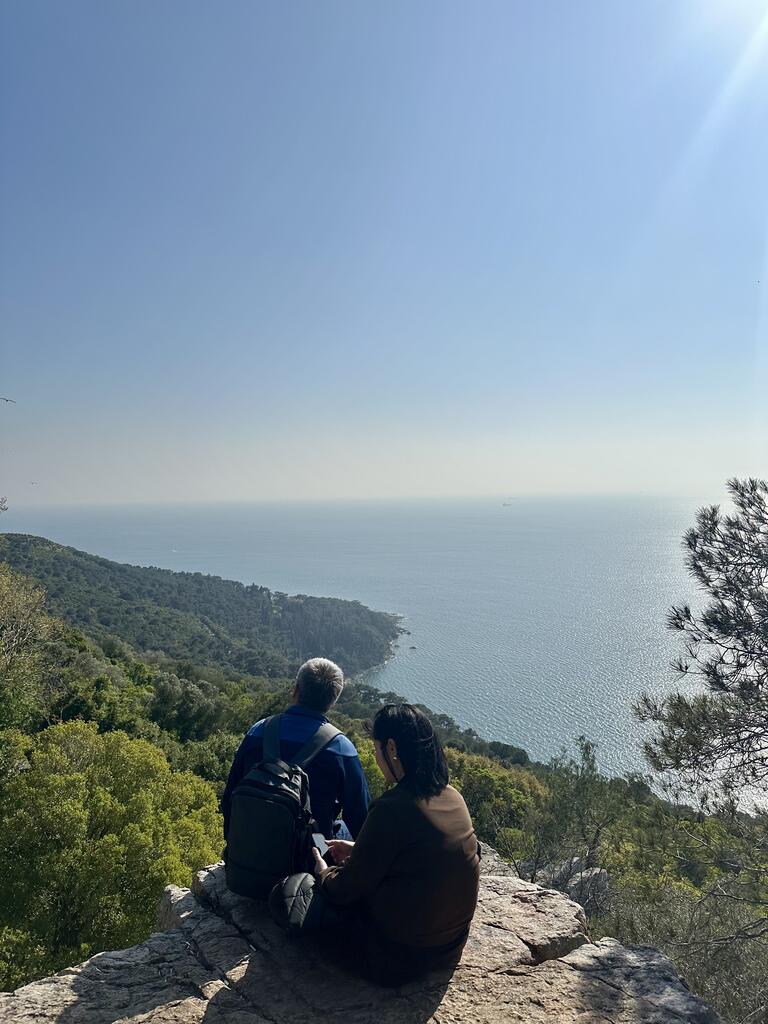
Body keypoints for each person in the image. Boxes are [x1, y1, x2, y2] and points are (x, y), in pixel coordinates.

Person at [310, 703, 481, 985]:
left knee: (303, 894)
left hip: (397, 957)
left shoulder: (392, 808)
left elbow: (345, 889)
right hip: (449, 947)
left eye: (376, 748)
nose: (376, 757)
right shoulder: (452, 796)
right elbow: (422, 855)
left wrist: (322, 872)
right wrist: (358, 850)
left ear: (392, 748)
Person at [220, 657, 370, 840]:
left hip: (246, 853)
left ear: (296, 689)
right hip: (309, 860)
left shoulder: (258, 731)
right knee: (344, 828)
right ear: (333, 701)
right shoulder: (341, 748)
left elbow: (229, 796)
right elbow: (360, 819)